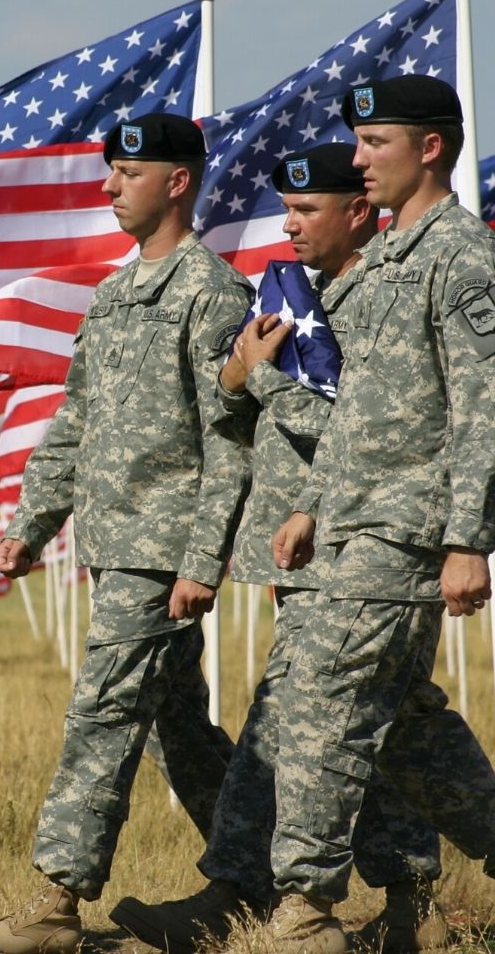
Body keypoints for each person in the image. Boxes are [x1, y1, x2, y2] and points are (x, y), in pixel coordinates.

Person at [110, 143, 447, 954]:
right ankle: (403, 901)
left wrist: (259, 378)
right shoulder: (299, 295)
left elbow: (349, 430)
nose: (289, 226)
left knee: (309, 731)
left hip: (360, 548)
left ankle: (263, 897)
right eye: (285, 211)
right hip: (309, 555)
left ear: (357, 213)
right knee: (379, 731)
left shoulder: (376, 298)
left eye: (306, 211)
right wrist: (237, 379)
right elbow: (259, 424)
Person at [0, 113, 251, 954]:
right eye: (109, 172)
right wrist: (33, 521)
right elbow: (76, 419)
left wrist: (202, 559)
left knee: (102, 713)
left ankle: (56, 901)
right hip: (114, 545)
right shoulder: (113, 294)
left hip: (163, 552)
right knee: (180, 726)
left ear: (177, 182)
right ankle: (258, 877)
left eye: (127, 174)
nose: (108, 186)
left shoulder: (208, 291)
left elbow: (229, 441)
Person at [260, 77, 495, 952]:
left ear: (429, 148)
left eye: (374, 145)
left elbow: (482, 402)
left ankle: (304, 912)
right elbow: (366, 404)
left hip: (407, 527)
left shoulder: (459, 256)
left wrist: (469, 540)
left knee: (319, 702)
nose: (357, 162)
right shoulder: (396, 257)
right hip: (355, 520)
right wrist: (315, 504)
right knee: (402, 725)